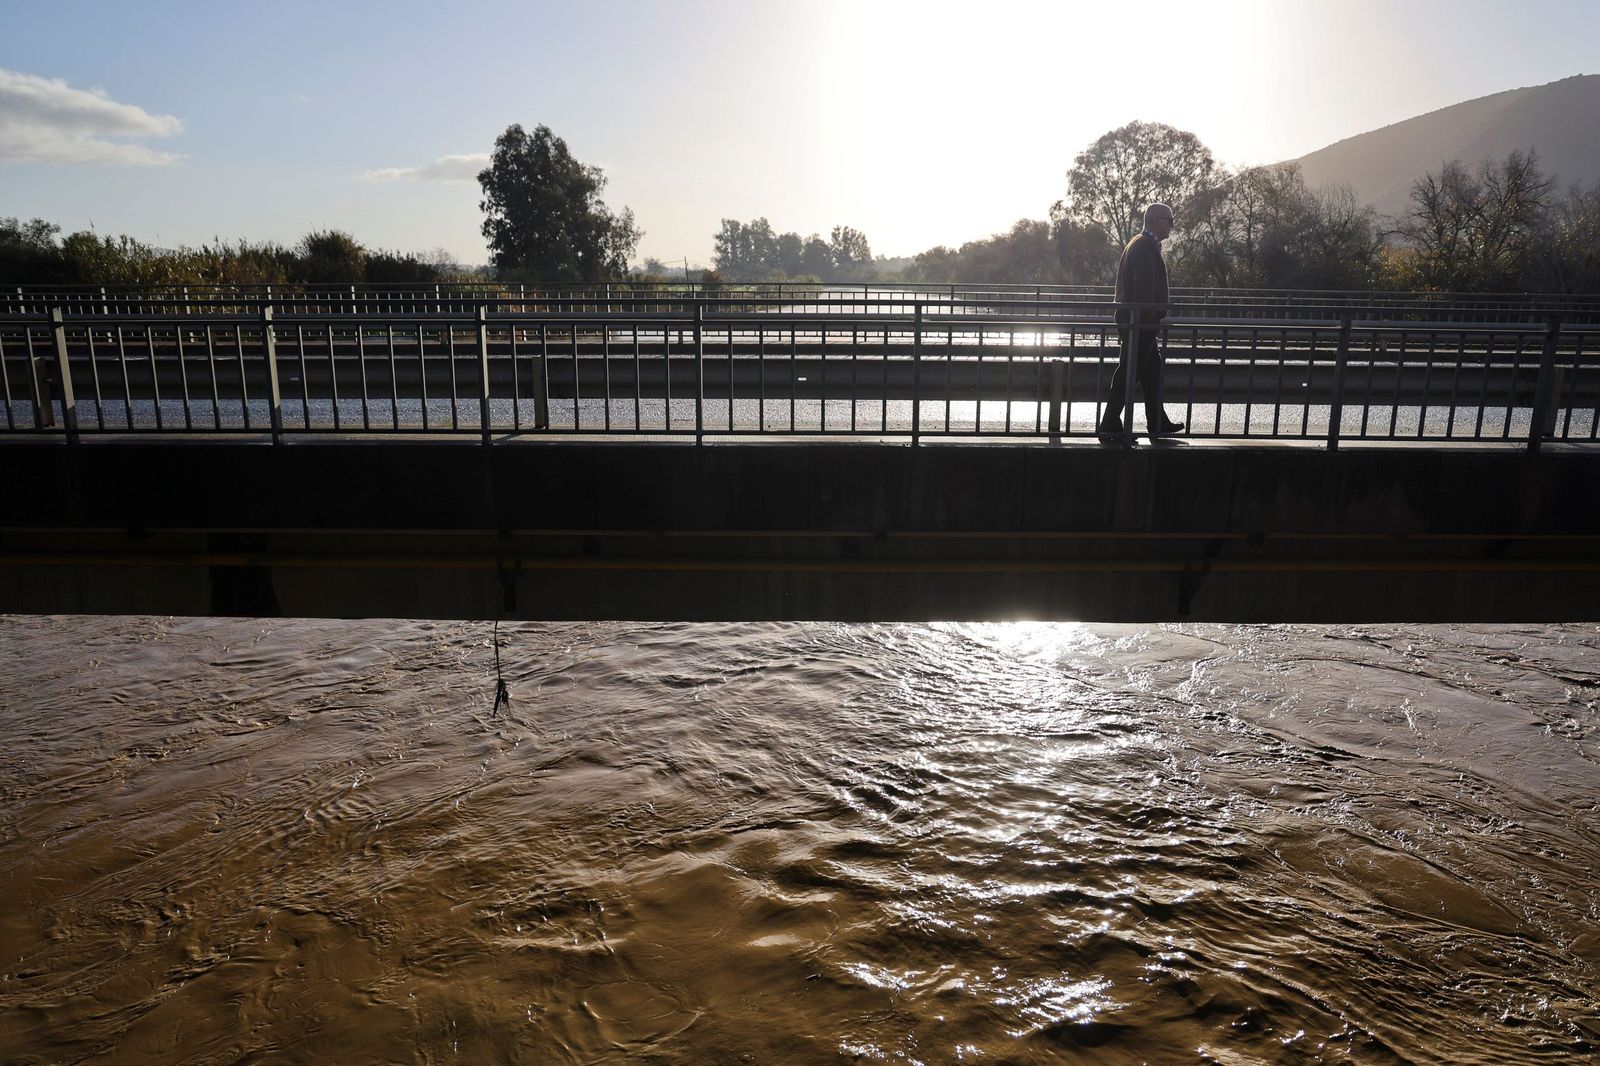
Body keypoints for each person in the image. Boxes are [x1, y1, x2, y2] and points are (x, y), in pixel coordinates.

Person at [1099, 203, 1184, 443]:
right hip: (1139, 321)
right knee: (1130, 370)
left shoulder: (1140, 243)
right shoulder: (1145, 247)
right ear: (1155, 220)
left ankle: (1157, 421)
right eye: (1169, 220)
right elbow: (1144, 291)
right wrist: (1151, 320)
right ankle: (1109, 424)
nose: (1171, 225)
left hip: (1135, 319)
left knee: (1150, 370)